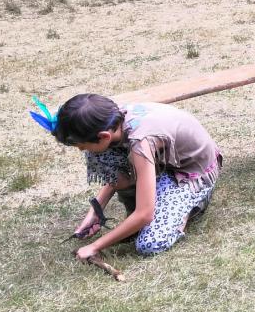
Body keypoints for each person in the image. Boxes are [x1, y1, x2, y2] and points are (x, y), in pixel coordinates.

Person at [39, 94, 222, 258]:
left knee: (150, 243)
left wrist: (94, 247)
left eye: (82, 145)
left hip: (192, 172)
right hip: (162, 160)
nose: (80, 149)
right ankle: (145, 199)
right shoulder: (109, 118)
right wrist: (96, 211)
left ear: (104, 136)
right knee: (99, 154)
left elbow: (144, 214)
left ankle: (192, 204)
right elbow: (114, 173)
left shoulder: (141, 143)